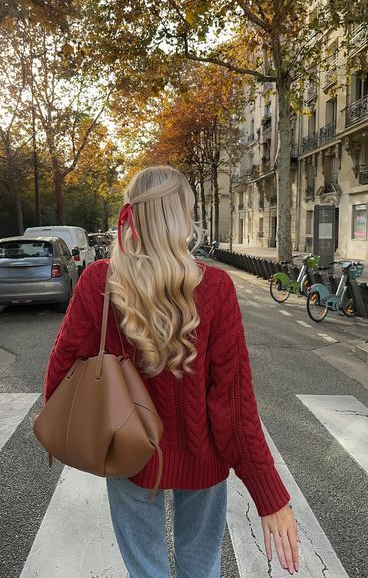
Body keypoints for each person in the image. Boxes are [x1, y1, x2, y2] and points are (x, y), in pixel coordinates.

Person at [44, 166, 299, 577]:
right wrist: (269, 495)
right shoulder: (215, 287)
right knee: (201, 566)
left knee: (146, 569)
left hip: (126, 451)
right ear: (182, 217)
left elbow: (61, 373)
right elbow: (234, 405)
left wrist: (72, 434)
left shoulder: (99, 282)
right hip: (205, 455)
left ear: (133, 215)